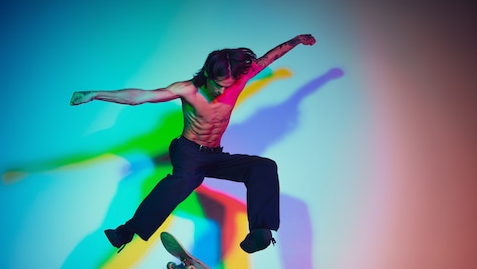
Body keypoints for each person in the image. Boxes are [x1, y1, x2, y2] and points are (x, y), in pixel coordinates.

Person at [70, 34, 316, 253]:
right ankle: (126, 231)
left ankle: (261, 232)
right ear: (208, 74)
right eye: (218, 85)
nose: (222, 91)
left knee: (263, 167)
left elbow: (266, 59)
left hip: (214, 156)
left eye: (227, 86)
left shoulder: (238, 80)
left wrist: (295, 41)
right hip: (188, 152)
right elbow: (139, 96)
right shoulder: (188, 90)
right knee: (185, 180)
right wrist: (94, 94)